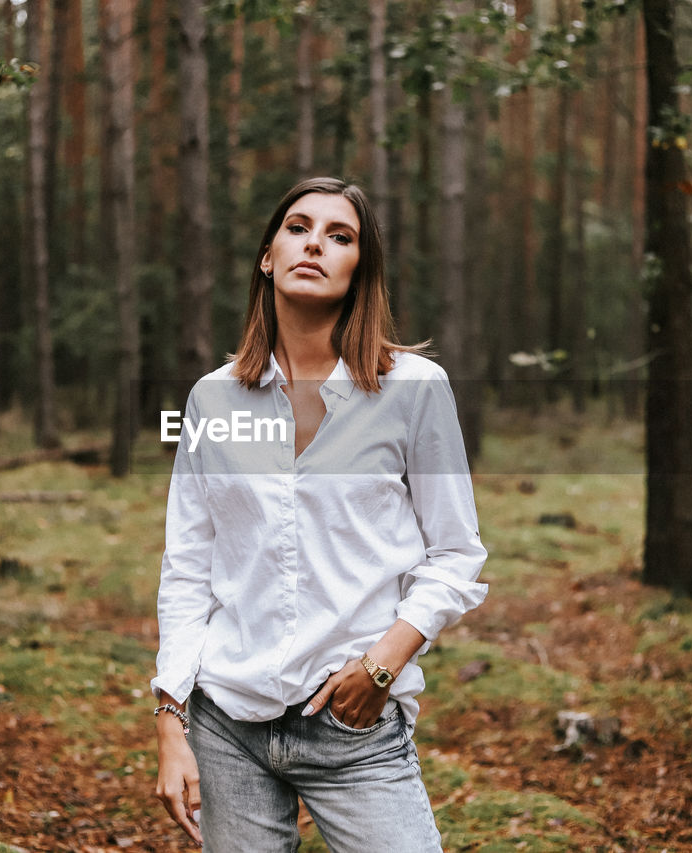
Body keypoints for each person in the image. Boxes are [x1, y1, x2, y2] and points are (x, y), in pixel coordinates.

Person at [151, 176, 487, 851]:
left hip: (353, 726)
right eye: (298, 228)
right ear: (267, 256)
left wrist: (382, 666)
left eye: (341, 236)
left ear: (360, 269)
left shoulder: (415, 391)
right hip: (227, 726)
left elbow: (456, 554)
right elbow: (188, 566)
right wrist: (169, 722)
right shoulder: (211, 401)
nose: (315, 245)